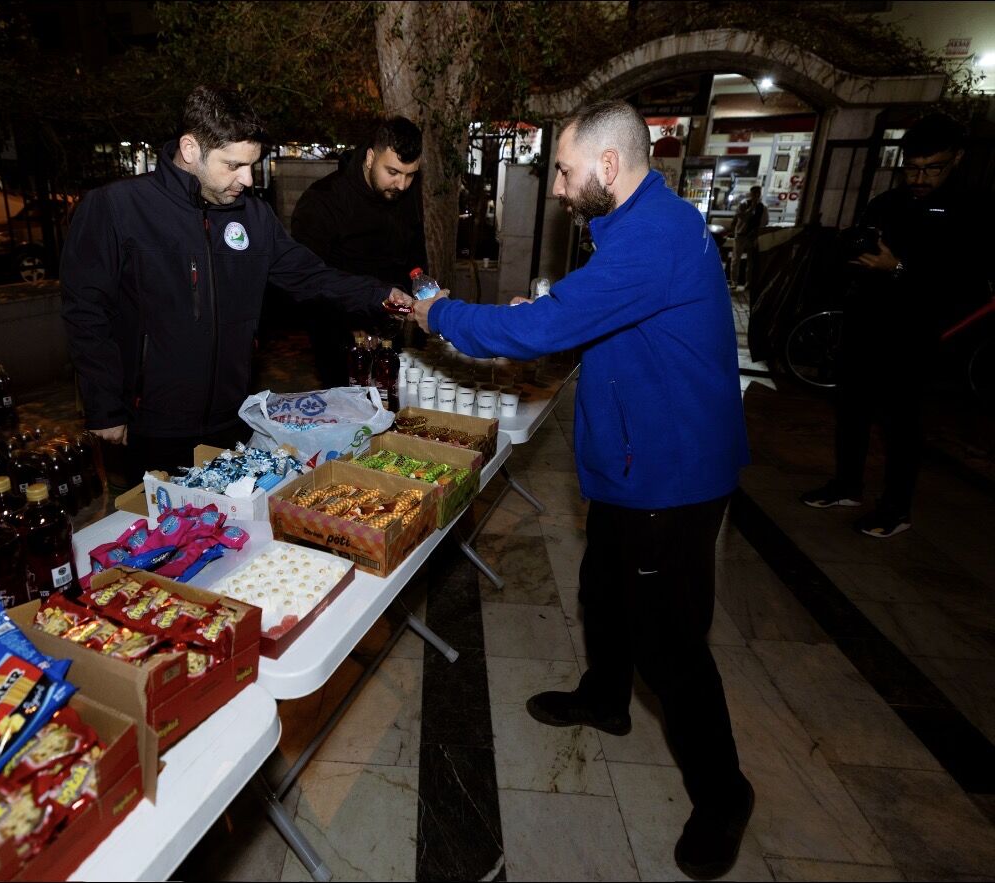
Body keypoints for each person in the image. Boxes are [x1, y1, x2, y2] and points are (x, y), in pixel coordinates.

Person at [412, 100, 753, 881]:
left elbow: (541, 332)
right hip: (635, 467)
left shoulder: (654, 238)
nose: (559, 188)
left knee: (671, 644)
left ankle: (725, 793)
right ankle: (605, 696)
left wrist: (442, 314)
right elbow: (593, 318)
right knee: (602, 588)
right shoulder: (637, 226)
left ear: (607, 166)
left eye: (564, 171)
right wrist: (558, 314)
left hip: (671, 475)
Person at [61, 86, 413, 476]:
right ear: (191, 149)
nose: (247, 179)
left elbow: (310, 275)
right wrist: (105, 406)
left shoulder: (252, 217)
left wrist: (383, 295)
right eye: (233, 165)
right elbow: (86, 313)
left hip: (231, 419)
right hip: (150, 425)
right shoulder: (117, 208)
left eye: (252, 164)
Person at [801, 113, 988, 537]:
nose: (920, 177)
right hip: (867, 325)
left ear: (955, 160)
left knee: (901, 425)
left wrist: (899, 267)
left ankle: (896, 507)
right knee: (852, 411)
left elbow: (963, 285)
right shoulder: (889, 203)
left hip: (917, 336)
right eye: (913, 167)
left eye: (931, 168)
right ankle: (847, 485)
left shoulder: (969, 211)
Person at [291, 116, 427, 387]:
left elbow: (414, 254)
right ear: (369, 158)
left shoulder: (403, 194)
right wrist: (351, 328)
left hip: (390, 333)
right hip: (338, 341)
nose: (402, 184)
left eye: (410, 175)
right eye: (393, 172)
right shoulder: (322, 201)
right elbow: (309, 283)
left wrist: (425, 295)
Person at [729, 185, 766, 289]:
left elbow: (764, 221)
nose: (756, 195)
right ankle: (734, 282)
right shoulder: (744, 204)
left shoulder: (762, 207)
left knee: (751, 261)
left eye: (758, 193)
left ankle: (748, 283)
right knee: (736, 259)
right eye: (754, 193)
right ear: (751, 194)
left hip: (753, 236)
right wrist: (751, 208)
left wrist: (758, 233)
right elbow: (741, 217)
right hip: (741, 235)